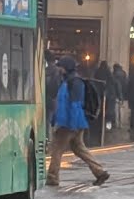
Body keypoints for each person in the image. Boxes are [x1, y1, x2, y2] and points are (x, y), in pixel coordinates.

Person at [45, 56, 110, 187]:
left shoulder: (74, 82)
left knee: (56, 149)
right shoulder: (68, 80)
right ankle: (100, 172)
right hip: (72, 122)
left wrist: (72, 124)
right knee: (79, 149)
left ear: (67, 67)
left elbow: (75, 105)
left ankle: (52, 177)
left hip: (70, 123)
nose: (59, 69)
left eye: (61, 67)